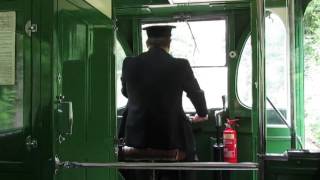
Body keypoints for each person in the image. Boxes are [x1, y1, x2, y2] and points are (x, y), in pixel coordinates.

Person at [119, 25, 208, 180]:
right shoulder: (180, 65)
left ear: (147, 43)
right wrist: (202, 114)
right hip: (170, 138)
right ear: (169, 42)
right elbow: (196, 94)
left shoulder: (129, 63)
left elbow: (126, 93)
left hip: (136, 138)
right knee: (190, 154)